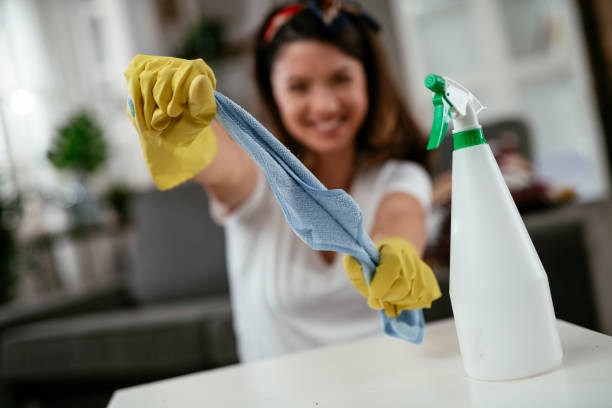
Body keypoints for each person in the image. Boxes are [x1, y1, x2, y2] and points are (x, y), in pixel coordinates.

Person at [125, 0, 441, 363]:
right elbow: (220, 163)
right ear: (273, 92)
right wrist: (186, 127)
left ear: (368, 80)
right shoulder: (258, 179)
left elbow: (402, 217)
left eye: (341, 78)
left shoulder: (398, 176)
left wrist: (396, 251)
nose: (323, 105)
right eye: (299, 87)